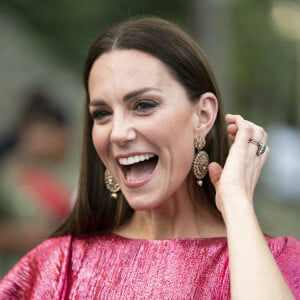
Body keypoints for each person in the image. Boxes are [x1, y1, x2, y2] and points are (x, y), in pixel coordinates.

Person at [0, 16, 299, 299]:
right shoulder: (55, 268)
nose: (118, 133)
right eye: (102, 114)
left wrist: (236, 203)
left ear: (203, 115)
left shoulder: (281, 264)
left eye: (143, 105)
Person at [0, 90, 73, 278]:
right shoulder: (13, 171)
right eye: (31, 133)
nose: (33, 140)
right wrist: (24, 236)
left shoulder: (79, 173)